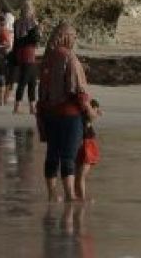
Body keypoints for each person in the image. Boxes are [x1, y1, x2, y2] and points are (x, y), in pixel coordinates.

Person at [38, 21, 99, 202]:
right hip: (69, 114)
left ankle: (51, 194)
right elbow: (78, 90)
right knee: (68, 156)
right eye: (73, 36)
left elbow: (42, 90)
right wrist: (90, 111)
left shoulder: (47, 58)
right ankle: (70, 195)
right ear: (66, 36)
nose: (74, 39)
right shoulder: (69, 58)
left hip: (49, 114)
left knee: (52, 154)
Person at [12, 3, 41, 114]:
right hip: (28, 53)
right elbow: (35, 39)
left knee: (30, 80)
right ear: (29, 11)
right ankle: (18, 106)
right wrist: (38, 27)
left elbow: (16, 39)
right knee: (26, 81)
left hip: (21, 52)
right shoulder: (32, 23)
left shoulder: (17, 23)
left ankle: (31, 107)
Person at [75, 99, 101, 201]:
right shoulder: (86, 118)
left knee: (79, 174)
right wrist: (96, 113)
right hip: (87, 145)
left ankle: (77, 195)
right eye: (95, 109)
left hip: (83, 144)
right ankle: (82, 197)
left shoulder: (82, 118)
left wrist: (96, 113)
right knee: (82, 174)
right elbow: (91, 118)